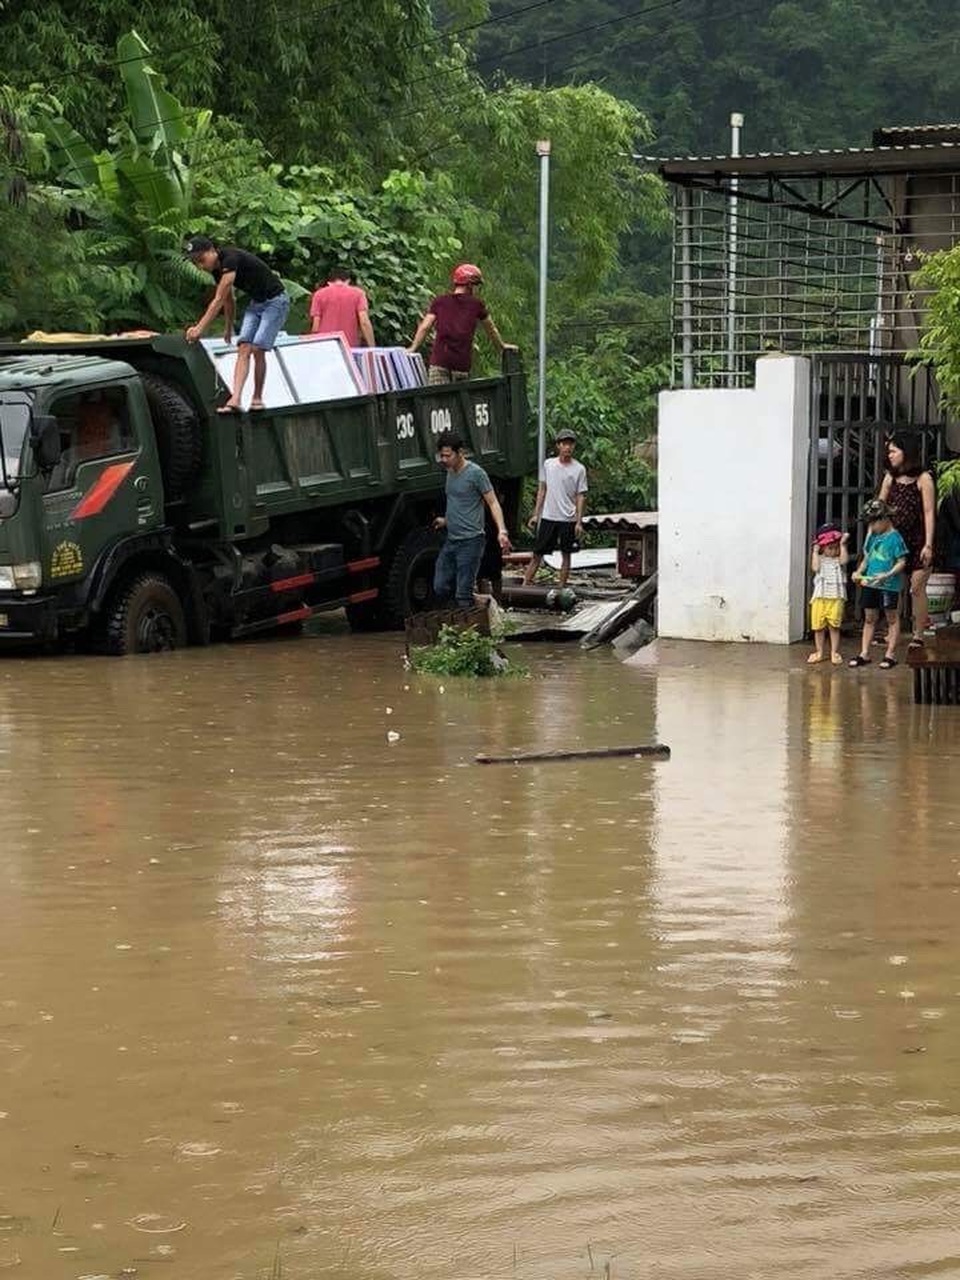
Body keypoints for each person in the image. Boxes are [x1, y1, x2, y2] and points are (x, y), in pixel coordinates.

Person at [183, 235, 290, 414]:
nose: (201, 266)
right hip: (257, 303)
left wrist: (199, 329)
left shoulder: (230, 259)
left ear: (212, 251)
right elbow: (228, 300)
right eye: (196, 263)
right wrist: (228, 326)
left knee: (258, 349)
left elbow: (218, 299)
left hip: (276, 301)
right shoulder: (217, 271)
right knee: (243, 347)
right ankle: (235, 399)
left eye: (202, 260)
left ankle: (257, 398)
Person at [432, 431, 511, 609]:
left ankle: (469, 629)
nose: (443, 459)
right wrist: (446, 520)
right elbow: (458, 502)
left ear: (460, 453)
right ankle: (478, 605)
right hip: (452, 539)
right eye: (441, 455)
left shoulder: (476, 474)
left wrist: (502, 531)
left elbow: (493, 503)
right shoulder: (449, 473)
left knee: (463, 594)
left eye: (447, 455)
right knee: (440, 585)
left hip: (471, 541)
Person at [408, 263, 513, 385]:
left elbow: (425, 327)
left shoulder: (440, 301)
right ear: (469, 285)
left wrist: (413, 348)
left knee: (439, 402)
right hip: (461, 365)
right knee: (460, 402)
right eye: (476, 285)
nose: (477, 289)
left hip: (439, 362)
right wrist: (502, 346)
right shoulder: (476, 304)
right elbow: (491, 329)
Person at [878, 433, 936, 649]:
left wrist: (928, 544)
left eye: (894, 451)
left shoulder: (924, 479)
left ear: (906, 452)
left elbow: (929, 512)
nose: (890, 455)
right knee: (893, 586)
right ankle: (892, 632)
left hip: (919, 539)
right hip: (895, 542)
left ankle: (918, 634)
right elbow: (879, 508)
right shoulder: (890, 478)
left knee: (916, 588)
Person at [523, 429, 588, 587]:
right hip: (549, 516)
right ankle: (526, 583)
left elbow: (580, 495)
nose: (567, 447)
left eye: (570, 444)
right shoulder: (549, 465)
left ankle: (561, 586)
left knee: (566, 554)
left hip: (568, 517)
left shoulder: (579, 469)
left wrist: (578, 521)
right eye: (564, 444)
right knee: (538, 552)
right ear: (558, 445)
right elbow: (542, 490)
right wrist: (536, 514)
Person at [849, 498, 908, 670]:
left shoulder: (895, 538)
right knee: (869, 618)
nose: (871, 527)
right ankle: (864, 652)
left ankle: (890, 654)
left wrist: (888, 574)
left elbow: (902, 561)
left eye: (873, 522)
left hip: (889, 584)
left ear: (884, 519)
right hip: (871, 584)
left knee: (891, 618)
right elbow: (867, 558)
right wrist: (859, 572)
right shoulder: (872, 537)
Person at [807, 525, 850, 665]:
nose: (834, 551)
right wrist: (815, 552)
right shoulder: (820, 559)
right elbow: (815, 568)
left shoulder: (838, 560)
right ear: (823, 547)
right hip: (820, 597)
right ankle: (819, 651)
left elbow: (844, 560)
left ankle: (834, 652)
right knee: (818, 627)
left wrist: (843, 545)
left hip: (836, 597)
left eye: (836, 547)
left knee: (834, 626)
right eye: (830, 548)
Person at [309, 267, 375, 348]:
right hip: (350, 347)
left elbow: (315, 327)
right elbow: (364, 322)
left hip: (325, 346)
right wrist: (372, 347)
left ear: (329, 282)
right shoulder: (359, 294)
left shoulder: (318, 295)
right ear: (348, 281)